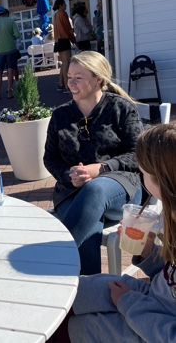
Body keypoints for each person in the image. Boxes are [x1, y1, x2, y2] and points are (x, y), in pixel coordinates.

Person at [48, 122, 176, 343]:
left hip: (156, 325)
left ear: (162, 179)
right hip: (151, 298)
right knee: (78, 291)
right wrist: (148, 253)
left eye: (143, 172)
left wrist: (128, 303)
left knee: (79, 327)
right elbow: (169, 277)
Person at [43, 51, 143, 275]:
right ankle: (88, 296)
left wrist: (102, 168)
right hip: (71, 189)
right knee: (89, 230)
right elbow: (50, 158)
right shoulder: (61, 115)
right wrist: (69, 175)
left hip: (119, 186)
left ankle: (51, 263)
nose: (71, 83)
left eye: (79, 77)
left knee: (95, 188)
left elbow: (138, 154)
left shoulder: (120, 108)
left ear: (98, 79)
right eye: (69, 76)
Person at [0, 5, 22, 100]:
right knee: (10, 71)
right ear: (5, 13)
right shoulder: (11, 21)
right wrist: (10, 37)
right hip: (11, 49)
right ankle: (9, 92)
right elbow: (17, 35)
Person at [53, 0, 76, 93]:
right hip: (64, 40)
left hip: (58, 41)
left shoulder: (55, 15)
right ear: (60, 5)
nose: (66, 6)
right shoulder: (63, 13)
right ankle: (67, 87)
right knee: (66, 64)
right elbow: (68, 29)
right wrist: (74, 40)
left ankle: (61, 84)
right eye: (64, 4)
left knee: (63, 64)